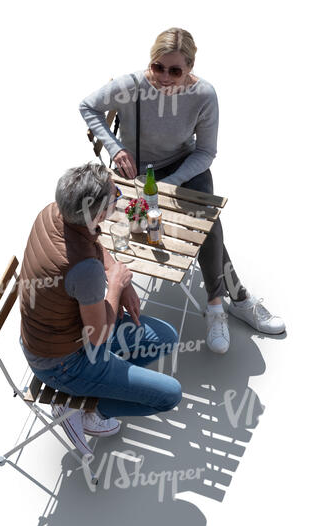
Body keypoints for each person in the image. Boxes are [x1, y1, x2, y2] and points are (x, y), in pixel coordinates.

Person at [79, 27, 286, 354]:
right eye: (158, 67)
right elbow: (87, 106)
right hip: (138, 169)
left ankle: (217, 303)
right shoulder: (132, 85)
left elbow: (205, 152)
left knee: (206, 221)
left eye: (175, 71)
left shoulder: (204, 95)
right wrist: (115, 147)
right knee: (198, 226)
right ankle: (238, 295)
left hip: (183, 166)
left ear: (190, 68)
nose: (163, 77)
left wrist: (170, 184)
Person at [18, 162, 182, 455]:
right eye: (115, 195)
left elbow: (91, 242)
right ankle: (83, 407)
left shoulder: (53, 213)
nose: (118, 197)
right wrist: (117, 285)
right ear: (99, 213)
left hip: (55, 334)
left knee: (165, 336)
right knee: (169, 395)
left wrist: (115, 271)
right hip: (62, 363)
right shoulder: (84, 269)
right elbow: (98, 337)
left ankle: (99, 385)